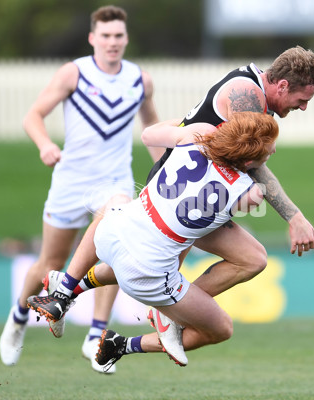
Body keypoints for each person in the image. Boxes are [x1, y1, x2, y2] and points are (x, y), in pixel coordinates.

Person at [31, 46, 314, 368]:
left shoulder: (231, 111)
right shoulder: (248, 99)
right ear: (282, 86)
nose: (304, 107)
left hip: (171, 189)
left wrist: (188, 131)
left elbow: (151, 135)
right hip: (188, 198)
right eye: (303, 99)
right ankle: (153, 312)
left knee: (241, 256)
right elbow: (253, 166)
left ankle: (69, 291)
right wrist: (293, 216)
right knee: (196, 281)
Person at [28, 111, 280, 368]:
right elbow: (245, 188)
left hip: (112, 233)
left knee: (116, 205)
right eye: (269, 152)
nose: (271, 155)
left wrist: (189, 124)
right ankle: (125, 344)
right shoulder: (250, 195)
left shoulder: (197, 133)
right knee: (222, 329)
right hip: (146, 273)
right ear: (249, 160)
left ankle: (65, 290)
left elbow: (149, 135)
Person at [0, 5, 161, 374]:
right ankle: (19, 318)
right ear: (92, 38)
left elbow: (151, 128)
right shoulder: (74, 73)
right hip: (70, 181)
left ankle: (96, 337)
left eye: (118, 35)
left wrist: (162, 169)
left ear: (126, 38)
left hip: (114, 182)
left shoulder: (140, 80)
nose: (112, 42)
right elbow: (32, 115)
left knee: (115, 252)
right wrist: (44, 144)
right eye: (105, 36)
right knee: (49, 264)